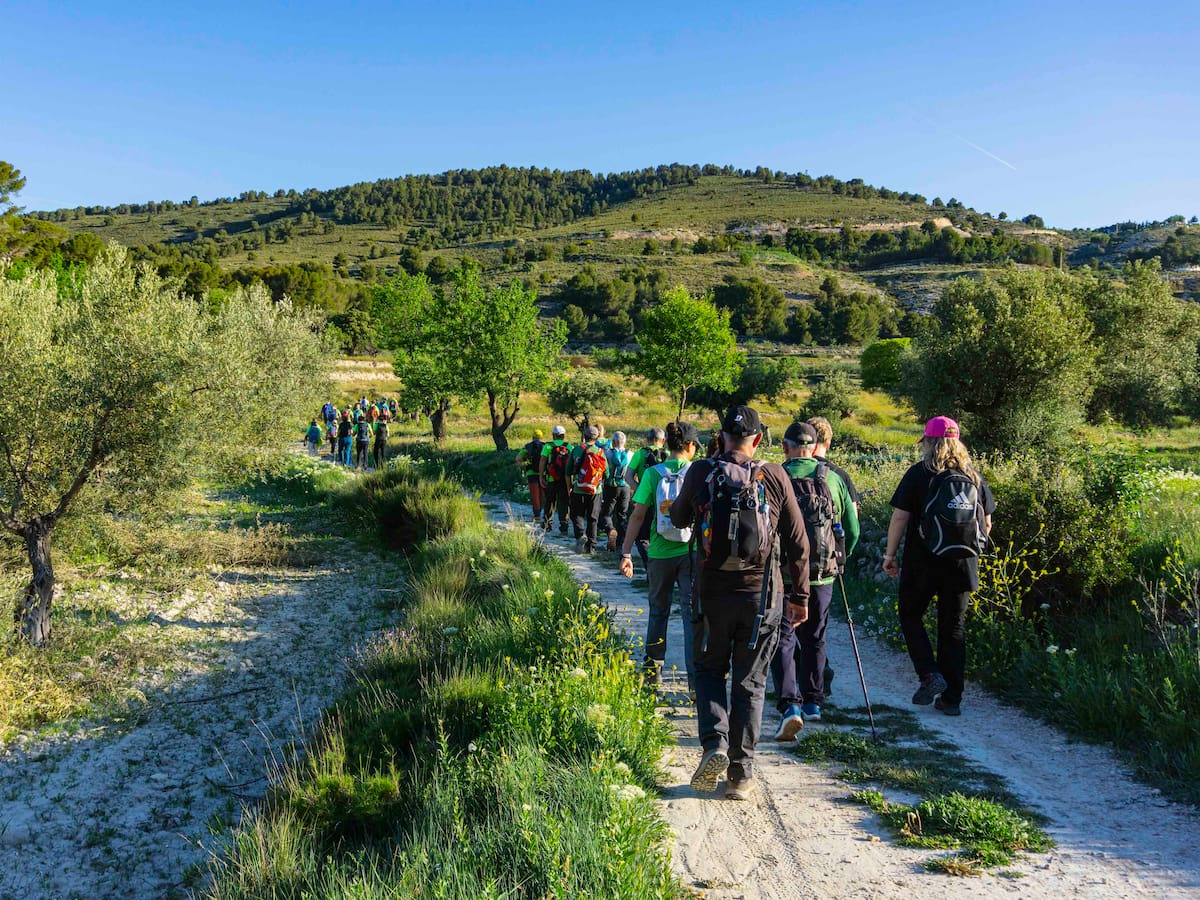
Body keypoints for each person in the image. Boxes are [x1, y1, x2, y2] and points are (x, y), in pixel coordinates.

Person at [669, 405, 810, 800]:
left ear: (722, 436)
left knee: (709, 670)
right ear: (759, 439)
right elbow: (799, 542)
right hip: (762, 597)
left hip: (711, 594)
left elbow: (679, 518)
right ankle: (741, 774)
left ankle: (714, 743)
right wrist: (800, 597)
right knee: (750, 681)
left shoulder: (702, 471)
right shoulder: (775, 474)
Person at [883, 416, 995, 717]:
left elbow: (900, 518)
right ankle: (952, 699)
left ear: (928, 442)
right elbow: (986, 523)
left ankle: (930, 674)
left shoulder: (920, 474)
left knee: (910, 615)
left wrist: (890, 555)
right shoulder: (973, 476)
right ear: (958, 442)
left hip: (924, 562)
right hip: (963, 564)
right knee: (953, 628)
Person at [771, 422, 860, 740]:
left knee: (781, 637)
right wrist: (839, 558)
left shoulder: (774, 475)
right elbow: (853, 528)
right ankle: (813, 701)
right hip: (822, 573)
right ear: (815, 446)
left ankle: (789, 704)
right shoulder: (833, 478)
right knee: (815, 636)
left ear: (786, 446)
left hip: (782, 574)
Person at [619, 422, 701, 692]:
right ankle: (694, 681)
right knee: (692, 616)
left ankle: (653, 674)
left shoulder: (654, 474)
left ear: (666, 445)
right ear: (690, 446)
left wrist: (626, 551)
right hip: (691, 552)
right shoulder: (698, 474)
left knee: (658, 612)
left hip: (659, 553)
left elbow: (638, 514)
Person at [626, 428, 668, 568]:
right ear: (663, 441)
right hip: (665, 501)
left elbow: (628, 476)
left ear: (647, 439)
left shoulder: (640, 453)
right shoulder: (667, 454)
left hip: (645, 501)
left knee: (643, 536)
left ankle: (649, 566)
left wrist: (639, 490)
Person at [566, 425, 607, 554]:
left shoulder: (577, 450)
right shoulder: (600, 452)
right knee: (593, 518)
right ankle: (591, 547)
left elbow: (568, 472)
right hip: (596, 490)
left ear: (584, 436)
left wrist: (570, 488)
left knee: (576, 514)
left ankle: (580, 535)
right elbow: (607, 474)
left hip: (579, 489)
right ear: (597, 437)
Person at [601, 431, 633, 551]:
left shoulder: (607, 453)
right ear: (625, 442)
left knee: (606, 513)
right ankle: (620, 544)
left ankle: (610, 530)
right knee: (622, 515)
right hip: (625, 486)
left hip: (611, 486)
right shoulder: (630, 454)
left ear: (613, 442)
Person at [539, 425, 573, 535]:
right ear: (564, 436)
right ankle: (564, 525)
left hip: (552, 478)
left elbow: (543, 461)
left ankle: (547, 524)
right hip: (565, 479)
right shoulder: (569, 447)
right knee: (564, 502)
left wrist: (541, 476)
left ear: (553, 435)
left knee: (550, 501)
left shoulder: (548, 446)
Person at [517, 430, 547, 523]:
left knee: (535, 496)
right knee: (542, 495)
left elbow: (518, 459)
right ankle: (544, 514)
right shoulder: (546, 446)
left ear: (532, 437)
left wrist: (526, 459)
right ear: (541, 437)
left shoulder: (527, 447)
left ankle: (537, 516)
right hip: (544, 474)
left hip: (531, 473)